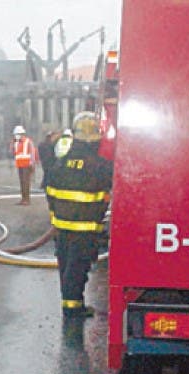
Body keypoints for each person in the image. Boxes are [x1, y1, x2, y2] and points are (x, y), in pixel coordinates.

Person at [46, 112, 113, 318]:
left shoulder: (60, 162)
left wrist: (55, 216)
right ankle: (73, 308)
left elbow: (49, 190)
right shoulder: (101, 166)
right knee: (78, 268)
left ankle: (70, 304)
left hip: (62, 226)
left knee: (65, 265)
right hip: (85, 229)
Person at [10, 125, 34, 205]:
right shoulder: (16, 143)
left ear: (22, 134)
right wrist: (12, 144)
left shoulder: (28, 141)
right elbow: (12, 152)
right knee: (22, 182)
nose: (16, 136)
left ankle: (27, 199)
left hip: (27, 165)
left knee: (26, 182)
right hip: (20, 165)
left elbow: (32, 153)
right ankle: (23, 198)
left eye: (17, 134)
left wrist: (32, 164)